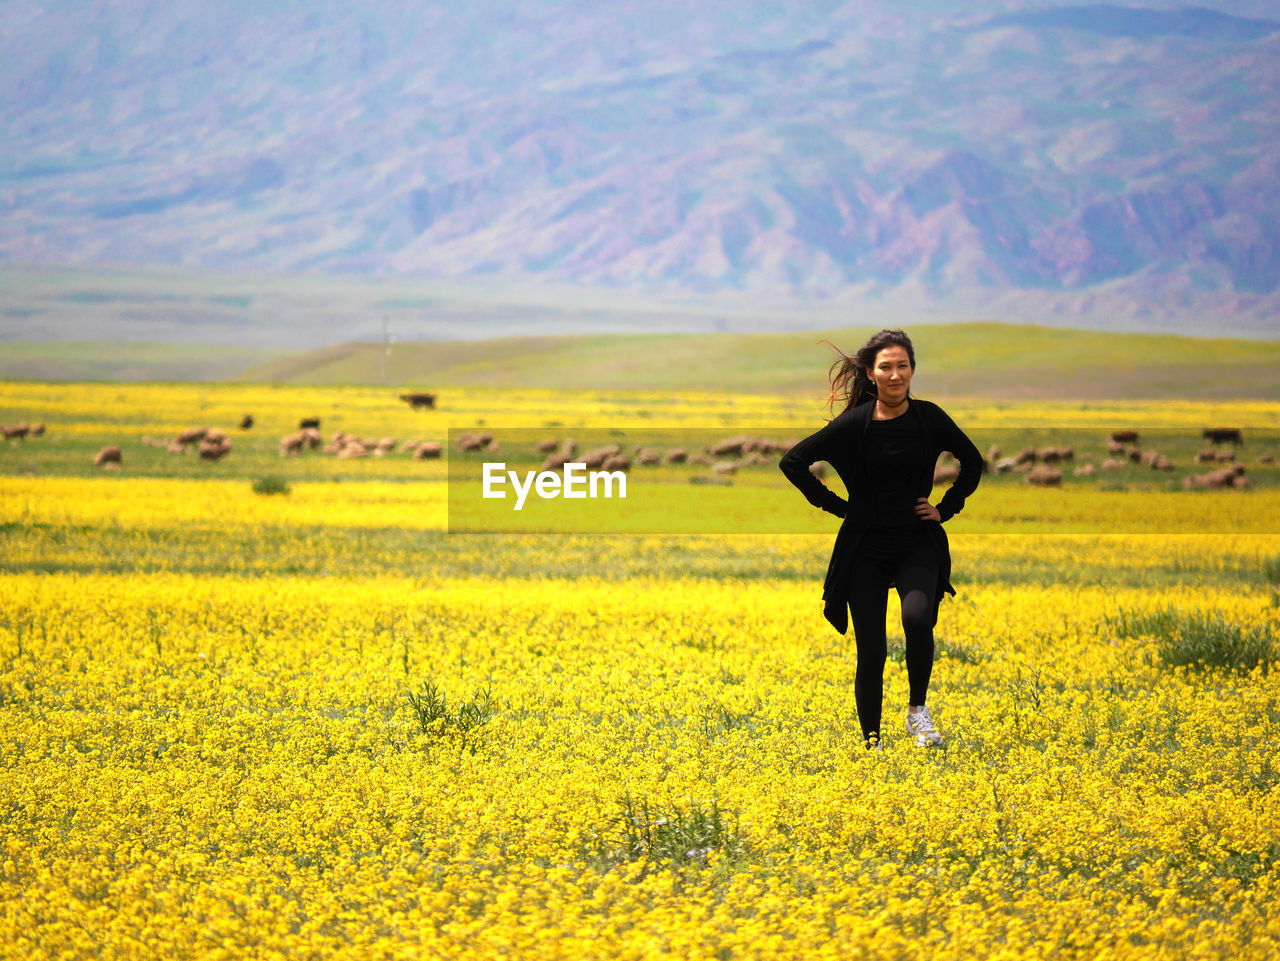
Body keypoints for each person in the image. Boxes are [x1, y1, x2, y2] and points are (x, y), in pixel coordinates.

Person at [779, 329, 982, 750]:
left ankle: (917, 714)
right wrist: (840, 507)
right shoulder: (855, 423)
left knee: (917, 618)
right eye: (885, 367)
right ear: (871, 374)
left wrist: (946, 508)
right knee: (871, 651)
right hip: (865, 547)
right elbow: (793, 462)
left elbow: (973, 462)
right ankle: (872, 745)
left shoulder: (930, 418)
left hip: (916, 540)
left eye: (902, 366)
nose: (895, 375)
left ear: (912, 370)